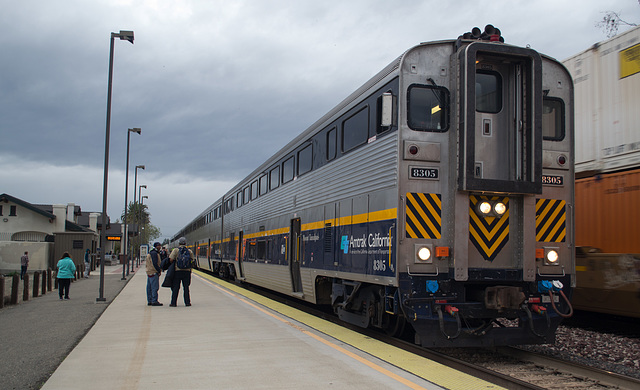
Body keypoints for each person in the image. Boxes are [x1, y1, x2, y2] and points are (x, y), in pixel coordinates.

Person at [168, 237, 194, 307]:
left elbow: (170, 259)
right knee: (186, 288)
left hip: (177, 271)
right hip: (187, 272)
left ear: (179, 243)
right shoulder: (189, 251)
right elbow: (192, 260)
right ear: (185, 243)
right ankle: (187, 302)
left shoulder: (175, 250)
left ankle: (173, 303)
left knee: (176, 287)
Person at [146, 242, 163, 306]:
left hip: (149, 272)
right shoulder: (155, 254)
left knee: (149, 287)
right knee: (154, 287)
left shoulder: (150, 253)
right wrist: (159, 270)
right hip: (153, 272)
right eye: (159, 246)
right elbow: (155, 263)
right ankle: (154, 301)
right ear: (156, 246)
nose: (160, 247)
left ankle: (150, 300)